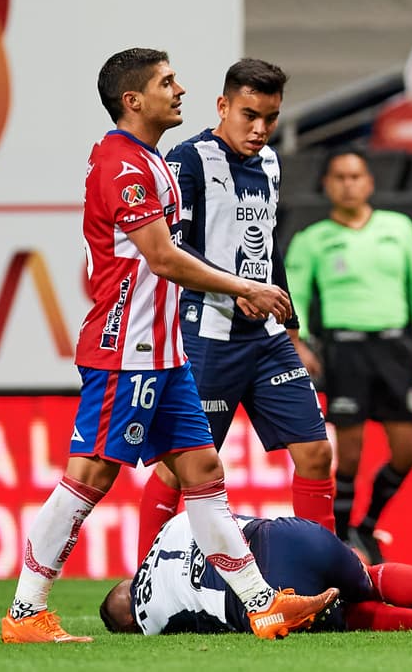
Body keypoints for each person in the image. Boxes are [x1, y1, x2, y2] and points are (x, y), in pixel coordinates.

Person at [1, 48, 338, 644]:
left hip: (166, 350)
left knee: (205, 470)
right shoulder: (125, 166)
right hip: (125, 347)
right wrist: (244, 288)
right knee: (91, 474)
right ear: (134, 100)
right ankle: (28, 613)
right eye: (166, 82)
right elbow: (160, 256)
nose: (178, 89)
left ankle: (263, 605)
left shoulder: (149, 161)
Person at [138, 59, 334, 560]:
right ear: (223, 106)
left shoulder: (270, 163)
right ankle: (144, 576)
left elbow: (269, 247)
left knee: (315, 452)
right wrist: (238, 289)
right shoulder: (188, 160)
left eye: (270, 118)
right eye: (249, 114)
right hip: (207, 338)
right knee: (180, 467)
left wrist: (291, 328)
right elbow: (174, 251)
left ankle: (324, 572)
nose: (260, 129)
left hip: (266, 338)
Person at [286, 148, 412, 563]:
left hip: (396, 349)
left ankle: (367, 525)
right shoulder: (312, 240)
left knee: (408, 451)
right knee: (349, 452)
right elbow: (294, 297)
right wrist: (298, 343)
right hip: (344, 349)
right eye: (340, 176)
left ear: (370, 182)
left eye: (356, 176)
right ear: (327, 185)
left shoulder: (398, 228)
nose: (349, 184)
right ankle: (341, 540)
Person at [100, 512, 412, 635]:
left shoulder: (150, 620)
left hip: (276, 592)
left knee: (345, 614)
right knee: (370, 575)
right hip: (294, 537)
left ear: (127, 621)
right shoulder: (171, 529)